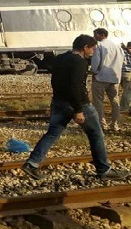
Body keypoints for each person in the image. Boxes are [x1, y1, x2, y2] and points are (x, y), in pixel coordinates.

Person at [21, 35, 129, 180]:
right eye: (92, 49)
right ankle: (103, 169)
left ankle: (32, 163)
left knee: (52, 133)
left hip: (59, 101)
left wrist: (59, 99)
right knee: (96, 134)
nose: (93, 52)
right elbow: (75, 87)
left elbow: (55, 81)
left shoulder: (60, 58)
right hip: (78, 104)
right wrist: (78, 110)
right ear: (85, 47)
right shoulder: (80, 62)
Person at [90, 28, 123, 131]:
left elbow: (96, 61)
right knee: (115, 101)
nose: (94, 37)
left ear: (101, 35)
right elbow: (123, 61)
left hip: (101, 77)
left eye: (95, 34)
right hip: (114, 77)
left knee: (98, 101)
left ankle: (102, 124)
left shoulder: (99, 45)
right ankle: (115, 124)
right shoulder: (118, 47)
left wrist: (94, 71)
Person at [120, 42, 131, 114]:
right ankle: (124, 107)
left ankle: (124, 106)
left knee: (125, 90)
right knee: (128, 91)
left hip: (120, 73)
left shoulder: (121, 51)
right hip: (128, 73)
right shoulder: (128, 52)